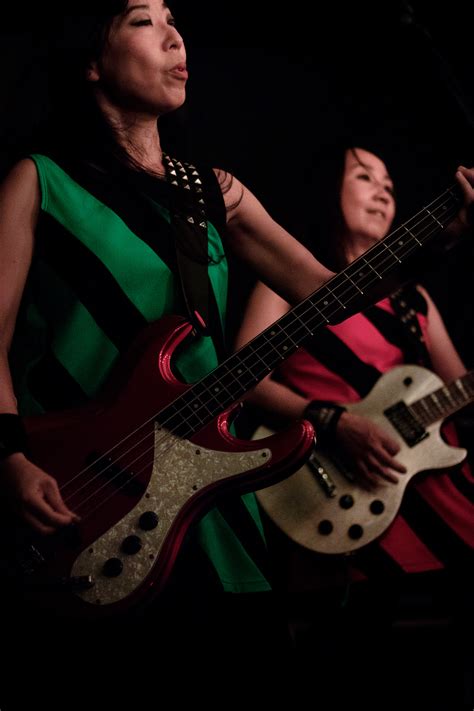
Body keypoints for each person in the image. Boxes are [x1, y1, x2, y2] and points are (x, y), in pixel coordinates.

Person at [235, 144, 474, 706]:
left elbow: (459, 391)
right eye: (364, 176)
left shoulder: (414, 302)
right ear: (328, 192)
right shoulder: (285, 283)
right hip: (337, 502)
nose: (383, 188)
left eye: (389, 182)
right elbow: (243, 377)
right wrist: (334, 422)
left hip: (436, 495)